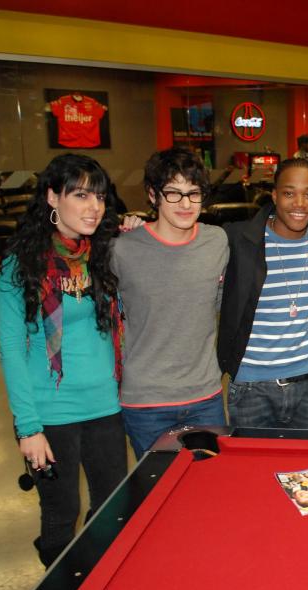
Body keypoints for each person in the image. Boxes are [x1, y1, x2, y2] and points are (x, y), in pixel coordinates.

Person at [0, 153, 126, 566]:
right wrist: (27, 427)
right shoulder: (20, 265)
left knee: (111, 508)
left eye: (101, 197)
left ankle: (95, 582)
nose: (95, 207)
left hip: (106, 404)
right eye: (81, 195)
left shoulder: (104, 252)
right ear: (53, 197)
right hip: (50, 412)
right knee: (60, 511)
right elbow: (12, 350)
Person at [111, 147, 228, 458]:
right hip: (146, 402)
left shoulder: (216, 241)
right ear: (152, 195)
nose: (186, 203)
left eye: (194, 193)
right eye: (173, 193)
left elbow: (221, 305)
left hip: (206, 397)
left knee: (209, 490)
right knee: (157, 493)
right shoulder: (122, 249)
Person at [218, 158, 308, 430]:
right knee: (252, 472)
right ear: (274, 196)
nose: (299, 203)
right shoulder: (240, 240)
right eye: (288, 193)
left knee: (306, 471)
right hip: (250, 387)